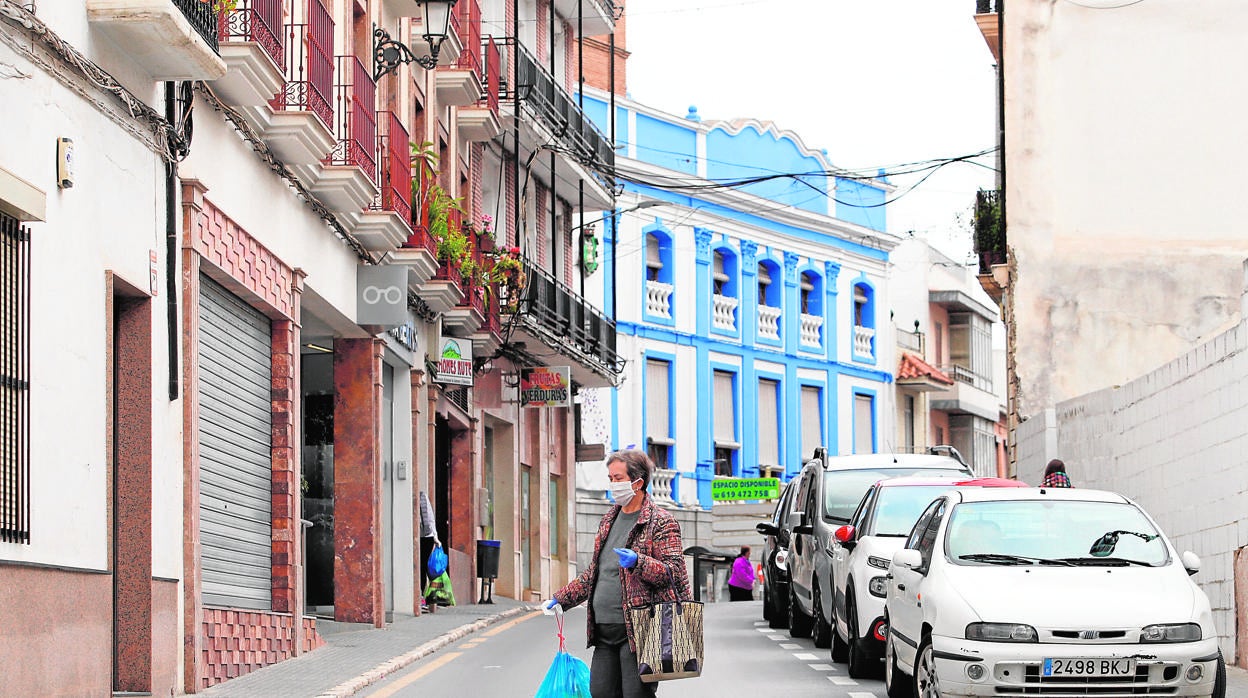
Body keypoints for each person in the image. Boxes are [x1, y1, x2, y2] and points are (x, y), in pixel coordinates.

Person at [543, 449, 690, 698]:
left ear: (638, 482)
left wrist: (638, 562)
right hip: (604, 630)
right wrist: (562, 598)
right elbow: (595, 573)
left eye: (618, 478)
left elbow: (674, 573)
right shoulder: (609, 519)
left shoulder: (661, 522)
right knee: (600, 692)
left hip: (640, 629)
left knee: (635, 694)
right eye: (610, 478)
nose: (613, 484)